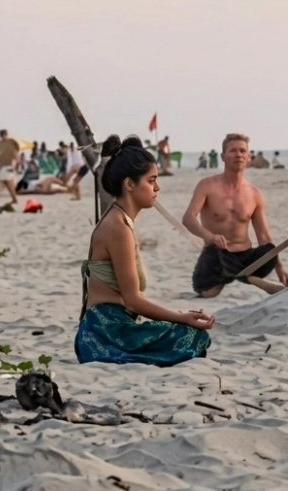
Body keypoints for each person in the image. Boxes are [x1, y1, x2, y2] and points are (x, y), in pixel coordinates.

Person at [77, 137, 213, 365]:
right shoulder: (117, 227)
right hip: (105, 332)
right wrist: (182, 318)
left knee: (186, 332)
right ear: (129, 184)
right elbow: (132, 301)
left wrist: (179, 317)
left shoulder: (121, 219)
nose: (157, 188)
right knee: (193, 336)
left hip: (113, 326)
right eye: (151, 181)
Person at [182, 133, 288, 298]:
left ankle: (242, 274)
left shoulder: (254, 193)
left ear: (248, 157)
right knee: (207, 292)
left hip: (246, 255)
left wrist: (279, 268)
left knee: (269, 250)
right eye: (233, 150)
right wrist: (209, 237)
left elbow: (263, 235)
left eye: (242, 151)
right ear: (223, 156)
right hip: (218, 254)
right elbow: (188, 218)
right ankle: (253, 280)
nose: (238, 154)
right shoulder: (207, 185)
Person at [0, 129, 20, 205]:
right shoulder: (0, 143)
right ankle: (13, 199)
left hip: (9, 165)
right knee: (7, 183)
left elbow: (15, 153)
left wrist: (14, 164)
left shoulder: (11, 142)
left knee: (5, 182)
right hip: (4, 165)